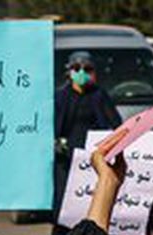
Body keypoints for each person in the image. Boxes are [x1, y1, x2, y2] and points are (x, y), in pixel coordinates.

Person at [53, 51, 124, 222]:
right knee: (64, 196)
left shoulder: (99, 95)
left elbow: (115, 123)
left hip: (93, 155)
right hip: (67, 155)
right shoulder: (61, 96)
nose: (82, 73)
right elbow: (51, 125)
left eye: (87, 68)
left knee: (92, 196)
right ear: (69, 72)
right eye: (77, 68)